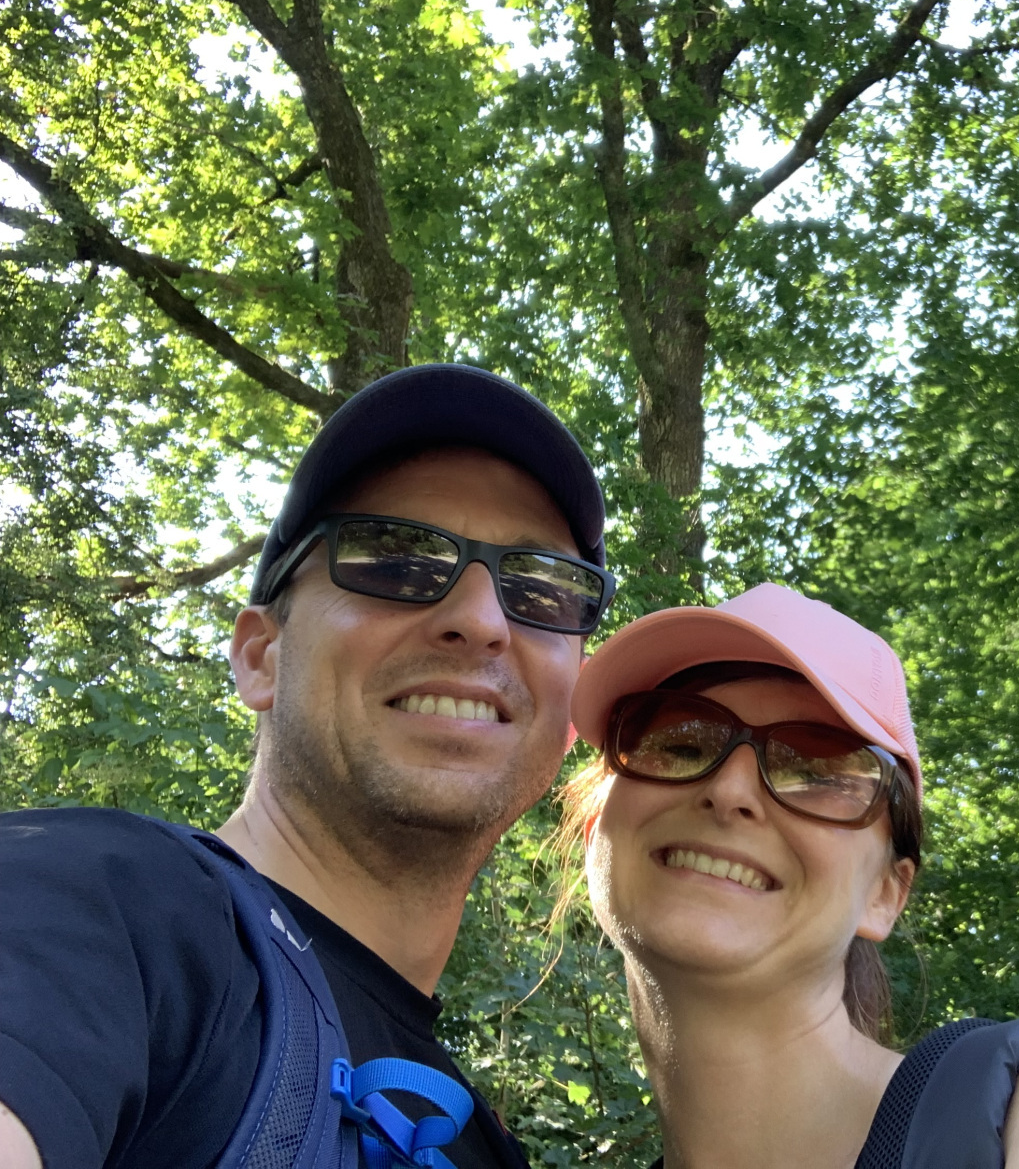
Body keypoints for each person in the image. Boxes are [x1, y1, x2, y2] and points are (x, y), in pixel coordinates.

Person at [0, 363, 615, 1169]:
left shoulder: (477, 1139)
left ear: (570, 713)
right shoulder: (99, 907)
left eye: (540, 587)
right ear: (261, 656)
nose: (479, 619)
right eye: (394, 559)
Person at [561, 583, 1019, 1168]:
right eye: (679, 745)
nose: (728, 790)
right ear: (596, 827)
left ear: (885, 895)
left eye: (816, 774)